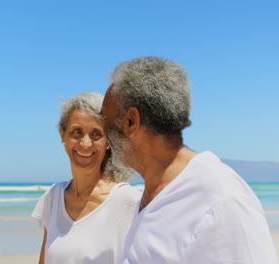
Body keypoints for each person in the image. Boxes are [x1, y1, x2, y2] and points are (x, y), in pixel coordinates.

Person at [101, 56, 276, 263]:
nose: (103, 133)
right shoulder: (152, 194)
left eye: (106, 120)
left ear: (132, 121)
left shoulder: (222, 201)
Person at [32, 91, 141, 264]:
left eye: (96, 134)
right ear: (63, 135)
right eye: (76, 132)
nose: (85, 144)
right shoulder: (53, 198)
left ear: (109, 141)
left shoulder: (129, 201)